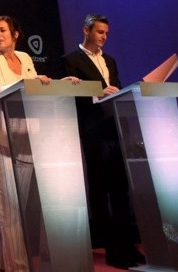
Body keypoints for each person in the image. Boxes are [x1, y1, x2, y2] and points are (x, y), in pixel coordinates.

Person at [61, 14, 144, 269]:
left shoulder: (110, 60)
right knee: (101, 190)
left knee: (121, 190)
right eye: (99, 32)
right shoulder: (70, 60)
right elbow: (71, 97)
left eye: (106, 33)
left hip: (115, 127)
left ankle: (128, 245)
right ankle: (112, 249)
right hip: (93, 130)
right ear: (86, 30)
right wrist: (98, 92)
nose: (104, 37)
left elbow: (116, 88)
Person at [0, 15, 52, 272]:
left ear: (15, 34)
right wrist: (30, 82)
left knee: (11, 206)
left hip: (25, 138)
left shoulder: (25, 58)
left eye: (2, 30)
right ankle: (18, 268)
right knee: (8, 207)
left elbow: (34, 91)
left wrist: (56, 85)